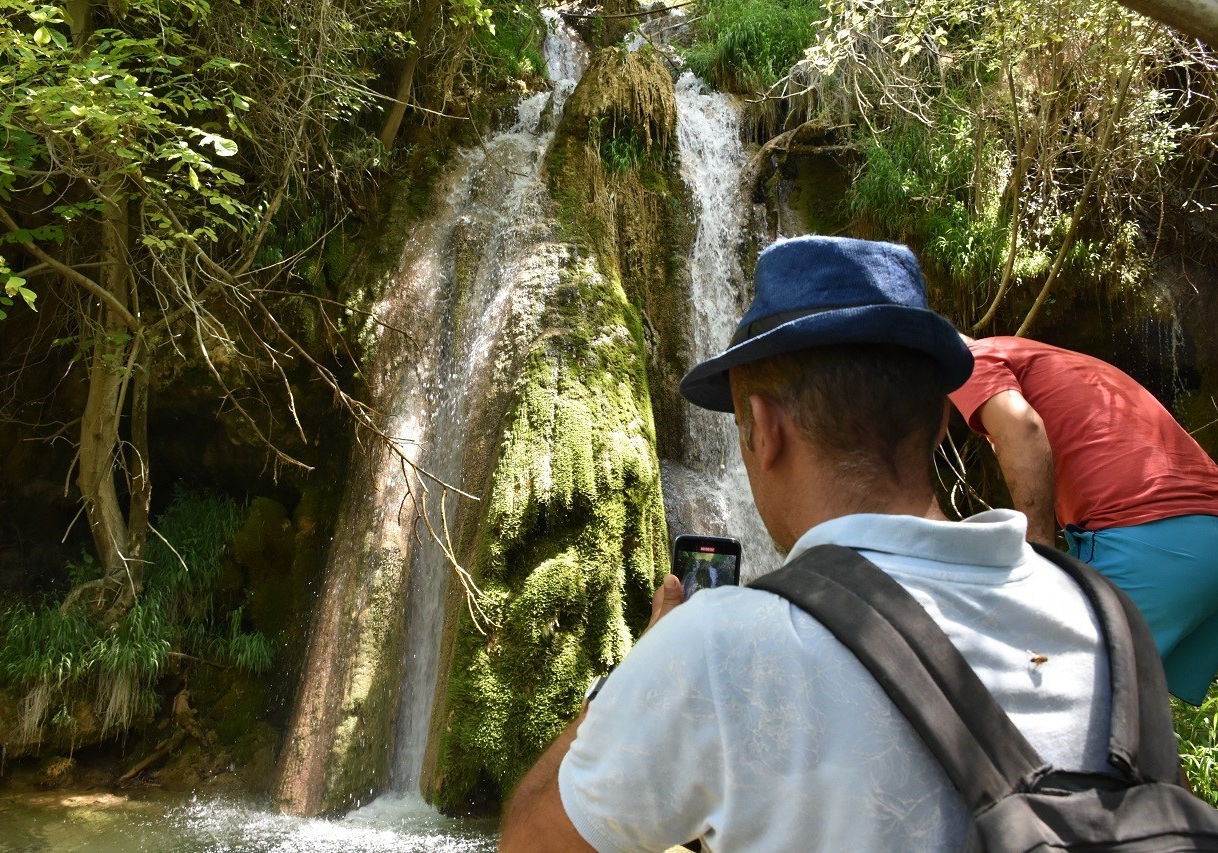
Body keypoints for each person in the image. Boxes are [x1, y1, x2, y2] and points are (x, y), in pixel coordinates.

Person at [498, 236, 1117, 852]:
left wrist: (632, 677)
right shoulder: (1102, 616)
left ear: (763, 430)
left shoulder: (719, 648)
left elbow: (529, 843)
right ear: (941, 425)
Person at [949, 335, 1218, 705]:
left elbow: (1021, 428)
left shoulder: (971, 359)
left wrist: (1038, 561)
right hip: (1205, 538)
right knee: (1130, 722)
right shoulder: (1052, 358)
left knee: (1043, 696)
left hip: (1148, 541)